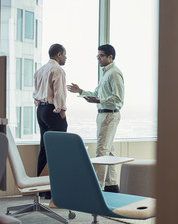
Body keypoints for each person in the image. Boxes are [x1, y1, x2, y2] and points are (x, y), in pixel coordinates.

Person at [67, 44, 124, 193]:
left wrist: (100, 101)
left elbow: (118, 98)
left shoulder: (114, 73)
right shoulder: (105, 74)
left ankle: (97, 189)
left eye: (101, 56)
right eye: (97, 56)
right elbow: (96, 93)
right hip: (103, 114)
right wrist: (80, 91)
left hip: (109, 115)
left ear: (110, 57)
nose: (98, 58)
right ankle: (112, 186)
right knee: (108, 152)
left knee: (101, 152)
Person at [33, 43, 68, 198]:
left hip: (40, 110)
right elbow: (59, 93)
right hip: (52, 110)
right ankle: (54, 191)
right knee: (58, 151)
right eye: (65, 55)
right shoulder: (57, 70)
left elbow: (35, 92)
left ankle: (42, 189)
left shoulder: (40, 70)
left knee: (44, 149)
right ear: (59, 54)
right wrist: (62, 113)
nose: (66, 58)